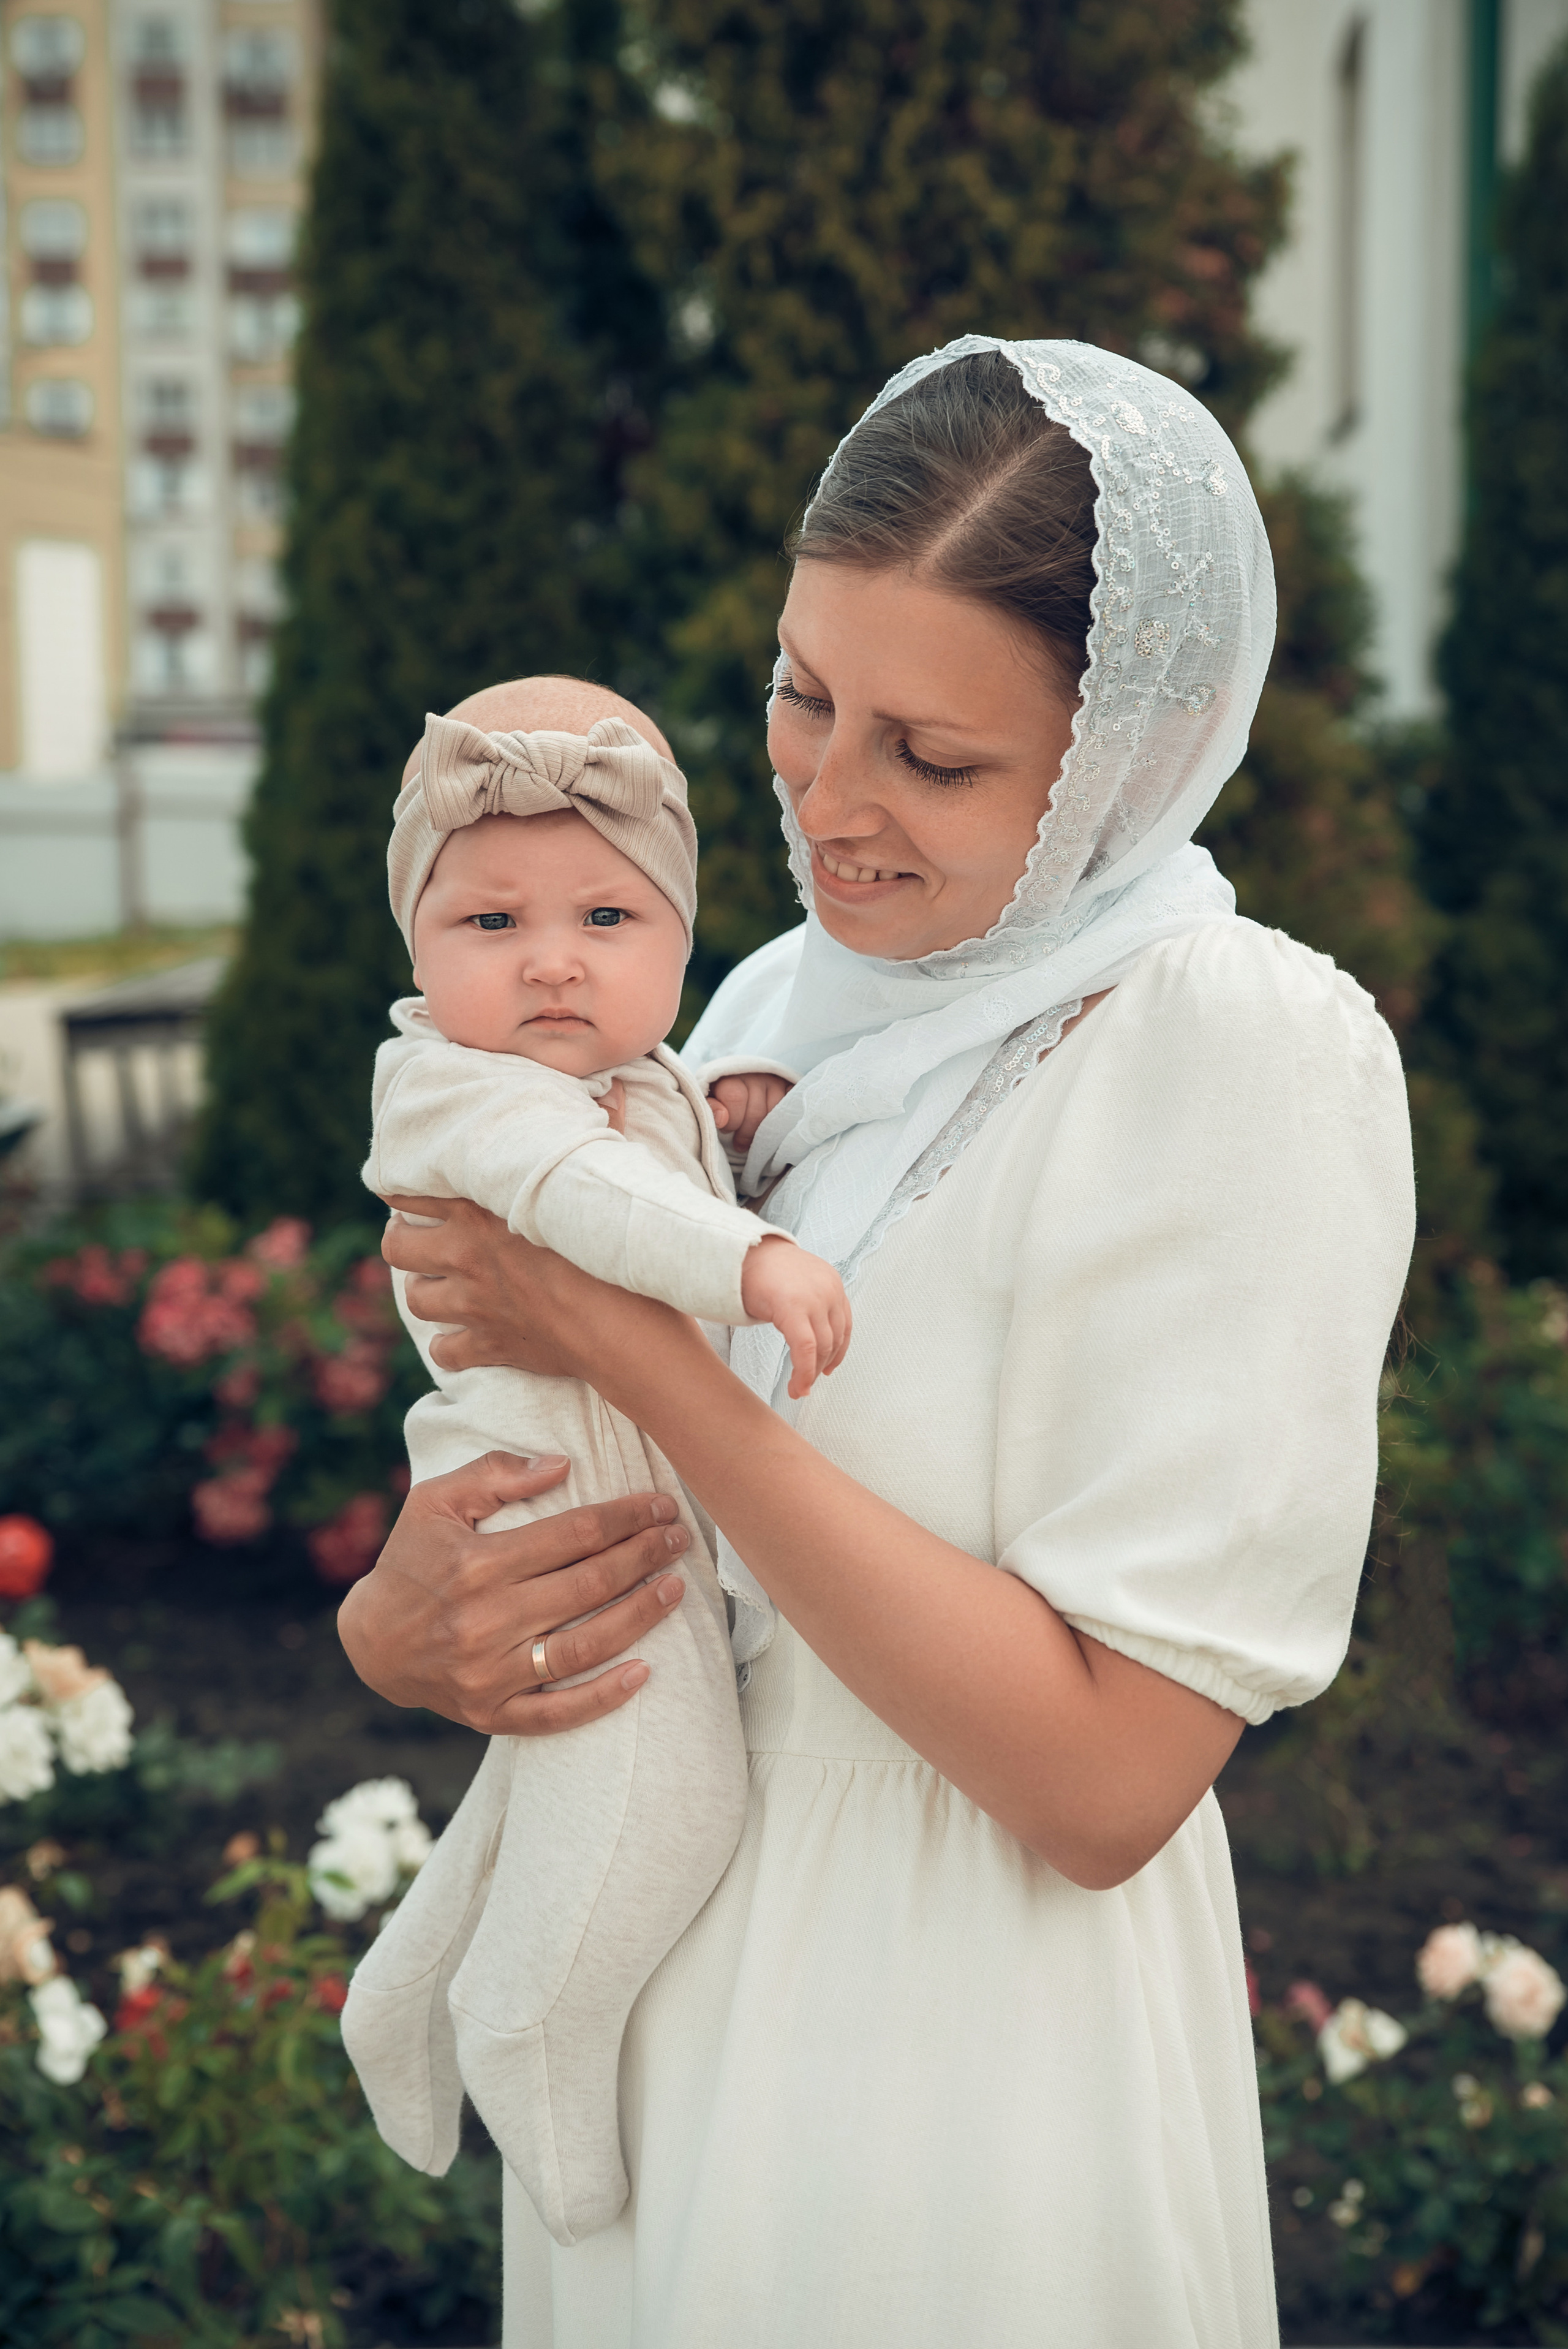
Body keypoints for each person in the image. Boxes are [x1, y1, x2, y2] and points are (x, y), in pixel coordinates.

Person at [341, 336, 1416, 2349]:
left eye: (931, 757)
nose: (825, 801)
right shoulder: (761, 1006)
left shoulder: (1235, 1051)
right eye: (803, 694)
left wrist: (642, 1349)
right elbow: (587, 1476)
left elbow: (1108, 1780)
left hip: (950, 2060)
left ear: (1138, 747)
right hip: (650, 2013)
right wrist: (406, 1625)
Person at [342, 675, 847, 2248]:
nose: (552, 959)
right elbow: (589, 1199)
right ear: (420, 953)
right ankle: (528, 2027)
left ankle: (404, 1988)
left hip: (618, 1497)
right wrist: (751, 1249)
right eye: (490, 924)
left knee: (540, 1792)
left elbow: (653, 1145)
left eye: (605, 919)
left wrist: (727, 1118)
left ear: (679, 943)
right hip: (562, 1508)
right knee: (664, 1794)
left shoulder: (644, 1079)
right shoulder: (460, 1089)